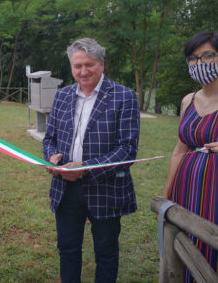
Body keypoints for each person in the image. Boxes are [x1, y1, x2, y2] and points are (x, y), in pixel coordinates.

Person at [43, 38, 140, 283]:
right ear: (71, 68)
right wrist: (52, 157)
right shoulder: (62, 96)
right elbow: (49, 138)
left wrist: (85, 169)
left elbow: (127, 149)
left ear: (102, 64)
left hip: (105, 189)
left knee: (106, 254)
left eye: (89, 64)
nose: (83, 71)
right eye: (78, 66)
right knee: (68, 251)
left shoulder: (124, 96)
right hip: (65, 189)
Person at [162, 31, 218, 282]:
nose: (200, 64)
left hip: (215, 192)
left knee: (210, 247)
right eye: (193, 59)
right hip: (185, 189)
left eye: (208, 55)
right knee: (182, 244)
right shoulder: (188, 100)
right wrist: (166, 194)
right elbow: (179, 149)